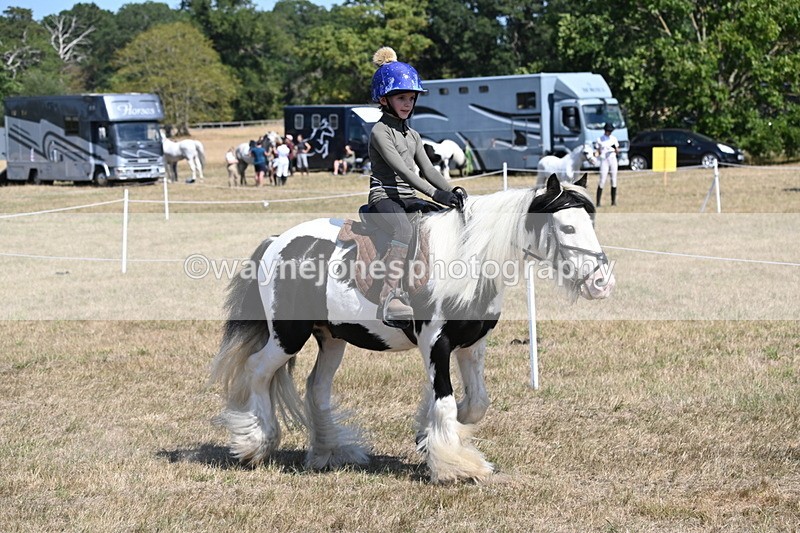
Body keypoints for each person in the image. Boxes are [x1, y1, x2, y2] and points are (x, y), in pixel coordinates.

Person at [367, 46, 466, 327]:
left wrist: (452, 191)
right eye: (401, 97)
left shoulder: (413, 134)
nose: (408, 103)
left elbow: (429, 169)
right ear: (384, 99)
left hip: (408, 197)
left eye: (411, 97)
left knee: (441, 221)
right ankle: (389, 296)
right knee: (403, 228)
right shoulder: (379, 131)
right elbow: (401, 169)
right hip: (384, 196)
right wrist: (436, 194)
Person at [595, 122, 619, 206]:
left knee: (614, 179)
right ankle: (598, 202)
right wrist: (597, 154)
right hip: (604, 159)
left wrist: (615, 150)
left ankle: (613, 201)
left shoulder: (614, 139)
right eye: (608, 131)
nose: (609, 132)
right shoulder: (600, 139)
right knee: (602, 180)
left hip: (612, 158)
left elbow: (617, 150)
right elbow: (598, 151)